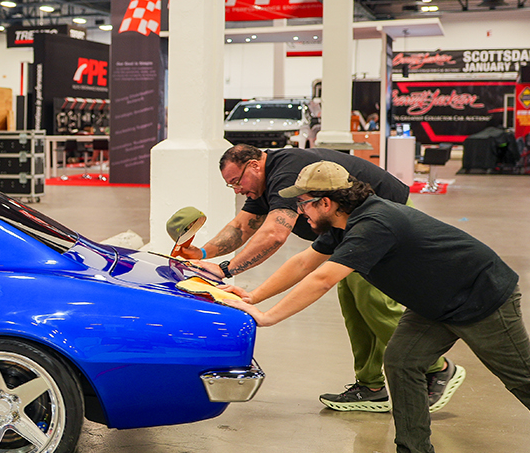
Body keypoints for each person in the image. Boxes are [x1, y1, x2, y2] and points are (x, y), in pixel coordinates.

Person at [221, 161, 530, 453]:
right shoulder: (341, 225)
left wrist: (267, 317)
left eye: (303, 203)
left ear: (325, 203)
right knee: (401, 361)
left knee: (525, 378)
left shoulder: (373, 223)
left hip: (480, 295)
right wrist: (252, 296)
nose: (300, 212)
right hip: (435, 302)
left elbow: (322, 280)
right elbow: (303, 263)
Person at [182, 144, 460, 412]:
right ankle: (371, 387)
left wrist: (228, 271)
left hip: (382, 218)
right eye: (231, 185)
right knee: (352, 302)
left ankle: (437, 368)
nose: (237, 189)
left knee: (373, 299)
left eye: (236, 181)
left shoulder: (286, 172)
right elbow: (245, 229)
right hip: (342, 225)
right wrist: (205, 255)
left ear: (254, 165)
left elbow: (276, 235)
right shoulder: (264, 189)